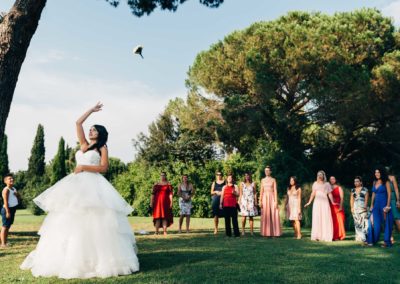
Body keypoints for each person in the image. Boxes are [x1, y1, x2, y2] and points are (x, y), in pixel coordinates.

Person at [20, 102, 139, 278]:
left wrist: (83, 166)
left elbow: (104, 168)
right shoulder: (84, 145)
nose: (90, 131)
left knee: (95, 220)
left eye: (94, 130)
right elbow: (77, 123)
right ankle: (66, 258)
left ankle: (99, 260)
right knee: (69, 217)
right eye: (90, 129)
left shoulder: (102, 147)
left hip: (94, 186)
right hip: (75, 185)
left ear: (101, 134)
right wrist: (91, 111)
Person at [304, 170, 334, 242]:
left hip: (324, 202)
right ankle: (317, 235)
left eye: (321, 175)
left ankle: (325, 235)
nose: (320, 176)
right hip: (317, 202)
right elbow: (313, 194)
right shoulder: (315, 184)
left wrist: (333, 202)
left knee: (325, 217)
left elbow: (330, 194)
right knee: (317, 217)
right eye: (318, 175)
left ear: (323, 176)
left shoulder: (327, 184)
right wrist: (309, 202)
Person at [367, 167, 393, 247]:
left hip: (384, 204)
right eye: (375, 172)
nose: (376, 174)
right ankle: (373, 240)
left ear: (381, 173)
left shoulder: (386, 182)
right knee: (375, 223)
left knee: (386, 223)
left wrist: (387, 206)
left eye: (378, 172)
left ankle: (386, 241)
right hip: (376, 205)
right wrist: (371, 204)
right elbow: (373, 193)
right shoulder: (375, 182)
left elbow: (389, 194)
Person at [259, 166, 281, 237]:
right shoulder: (262, 180)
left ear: (270, 172)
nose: (266, 172)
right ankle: (265, 233)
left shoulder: (273, 180)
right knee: (265, 214)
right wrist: (260, 200)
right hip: (265, 198)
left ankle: (274, 233)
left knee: (273, 214)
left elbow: (275, 190)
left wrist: (276, 201)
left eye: (268, 170)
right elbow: (261, 191)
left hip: (272, 198)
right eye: (265, 170)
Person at [1, 173, 20, 248]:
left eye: (12, 178)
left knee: (8, 226)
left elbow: (18, 198)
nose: (12, 179)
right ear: (5, 181)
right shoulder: (6, 190)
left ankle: (5, 242)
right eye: (9, 179)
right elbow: (5, 202)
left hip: (13, 209)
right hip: (7, 209)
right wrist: (8, 212)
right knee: (5, 226)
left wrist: (17, 195)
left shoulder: (14, 189)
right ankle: (2, 244)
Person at [219, 173, 240, 237]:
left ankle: (236, 234)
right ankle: (228, 234)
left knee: (234, 220)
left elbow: (238, 194)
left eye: (231, 178)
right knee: (227, 220)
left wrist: (234, 193)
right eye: (228, 178)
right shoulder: (224, 187)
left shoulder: (235, 186)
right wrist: (220, 203)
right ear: (227, 179)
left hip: (233, 205)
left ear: (232, 179)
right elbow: (222, 196)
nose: (229, 179)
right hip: (226, 205)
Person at [350, 176, 369, 243]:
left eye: (357, 181)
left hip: (362, 207)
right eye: (355, 181)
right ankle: (358, 238)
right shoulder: (353, 190)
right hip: (355, 208)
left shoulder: (365, 189)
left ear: (361, 182)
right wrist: (351, 208)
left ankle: (365, 237)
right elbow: (352, 200)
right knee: (357, 223)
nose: (356, 183)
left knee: (364, 223)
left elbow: (366, 199)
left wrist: (365, 207)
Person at [329, 176, 346, 240]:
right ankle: (334, 236)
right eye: (331, 179)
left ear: (335, 180)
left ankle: (341, 235)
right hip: (331, 206)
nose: (332, 180)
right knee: (334, 221)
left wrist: (341, 207)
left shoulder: (339, 188)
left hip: (338, 205)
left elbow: (342, 198)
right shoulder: (329, 188)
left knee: (340, 220)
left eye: (333, 179)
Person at [387, 169, 400, 242]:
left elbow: (396, 189)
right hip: (386, 200)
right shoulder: (381, 179)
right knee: (388, 219)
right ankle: (391, 237)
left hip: (393, 199)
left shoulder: (392, 178)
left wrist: (398, 200)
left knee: (397, 217)